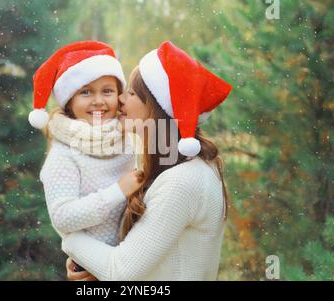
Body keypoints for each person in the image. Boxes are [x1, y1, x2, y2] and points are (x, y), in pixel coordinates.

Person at [63, 41, 232, 280]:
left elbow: (119, 271)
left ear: (156, 108)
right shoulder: (176, 170)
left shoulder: (182, 180)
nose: (120, 99)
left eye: (131, 93)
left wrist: (69, 233)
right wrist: (94, 263)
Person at [28, 41, 144, 272]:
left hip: (132, 259)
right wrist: (117, 191)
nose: (98, 100)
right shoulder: (64, 154)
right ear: (69, 102)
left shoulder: (125, 137)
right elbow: (62, 217)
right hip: (94, 264)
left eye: (107, 91)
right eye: (86, 92)